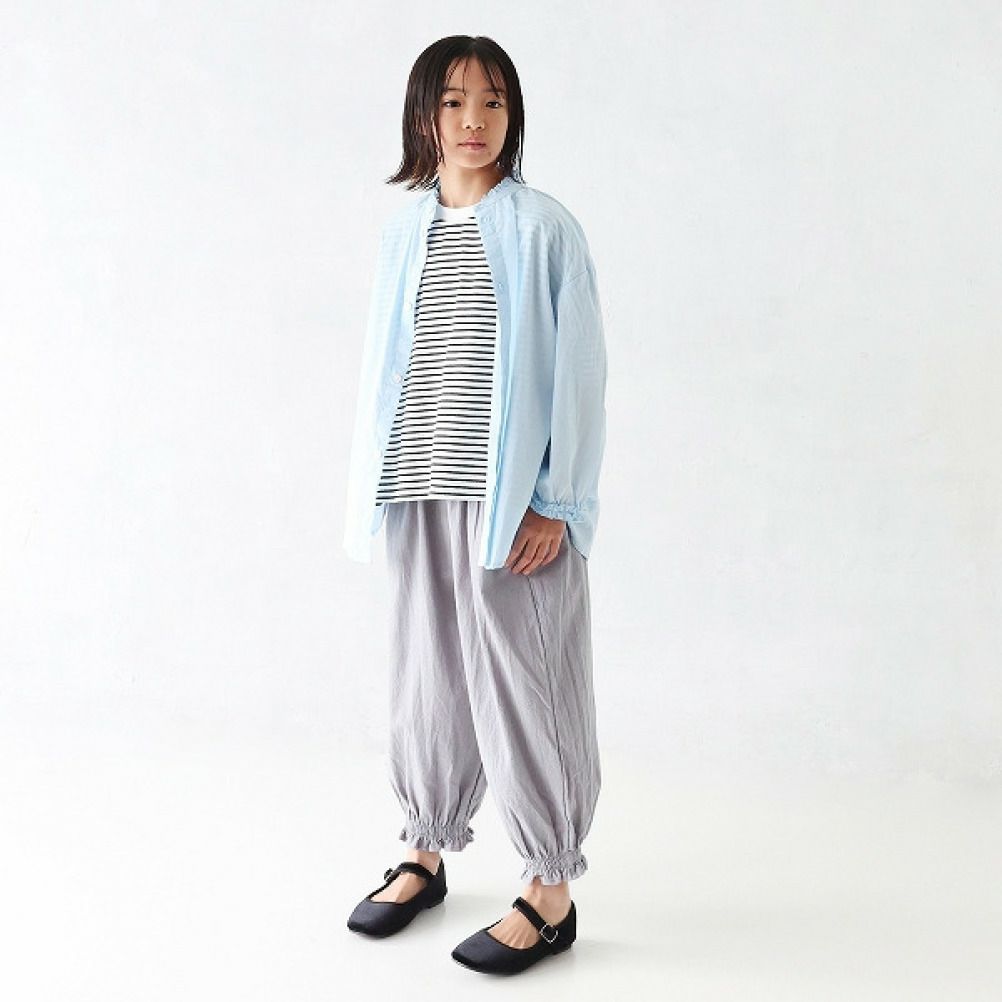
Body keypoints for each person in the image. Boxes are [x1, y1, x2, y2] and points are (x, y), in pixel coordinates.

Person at [342, 34, 608, 976]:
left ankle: (549, 888)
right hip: (418, 484)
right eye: (454, 102)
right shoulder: (403, 231)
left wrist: (558, 501)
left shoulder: (542, 230)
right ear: (424, 116)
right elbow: (389, 363)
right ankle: (424, 848)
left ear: (513, 117)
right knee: (427, 673)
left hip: (512, 506)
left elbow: (578, 374)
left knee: (529, 682)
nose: (473, 120)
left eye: (493, 101)